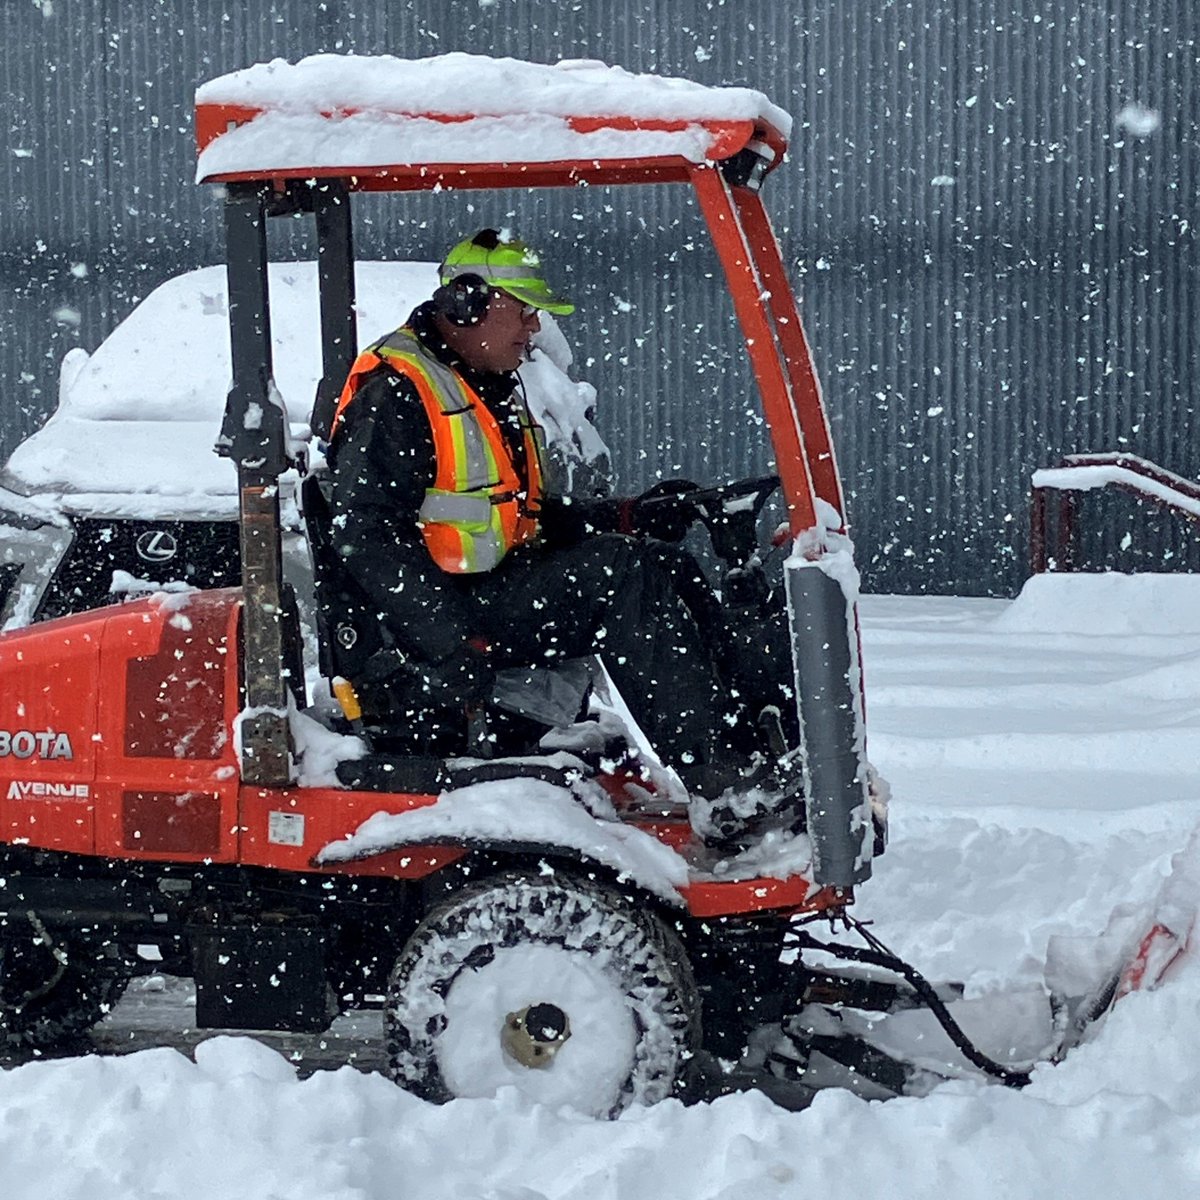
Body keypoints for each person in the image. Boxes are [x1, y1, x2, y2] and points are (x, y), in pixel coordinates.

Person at [324, 228, 791, 802]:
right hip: (431, 615)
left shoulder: (481, 381)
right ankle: (722, 784)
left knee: (662, 564)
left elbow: (518, 513)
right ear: (465, 304)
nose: (534, 328)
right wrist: (448, 641)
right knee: (626, 580)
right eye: (524, 312)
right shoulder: (398, 388)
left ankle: (755, 749)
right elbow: (365, 532)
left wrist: (626, 516)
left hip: (486, 587)